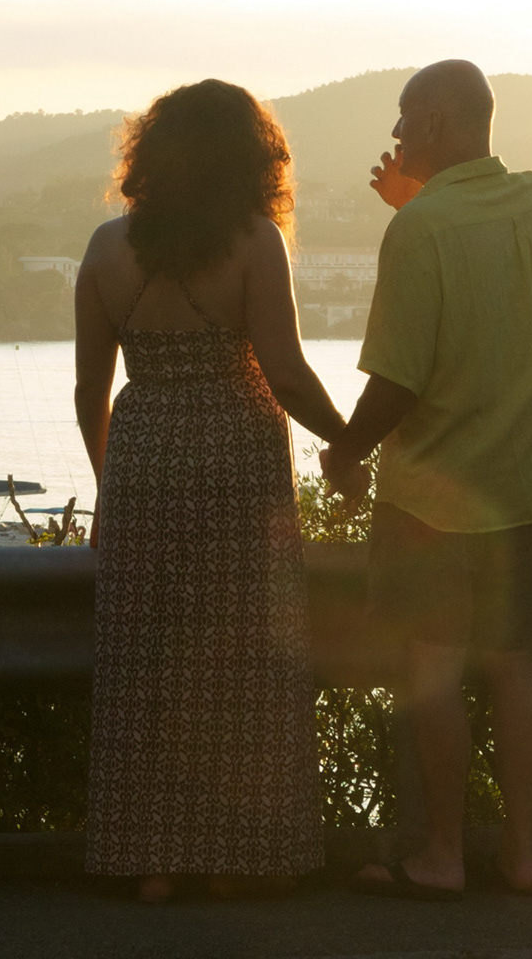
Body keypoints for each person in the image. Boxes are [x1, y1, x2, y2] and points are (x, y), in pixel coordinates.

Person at [74, 79, 348, 903]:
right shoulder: (256, 241)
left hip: (144, 458)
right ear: (250, 159)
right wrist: (350, 440)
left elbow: (90, 391)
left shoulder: (104, 248)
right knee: (242, 660)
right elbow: (286, 374)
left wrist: (109, 488)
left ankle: (151, 860)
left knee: (148, 662)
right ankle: (242, 856)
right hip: (236, 459)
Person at [322, 59, 532, 900]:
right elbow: (483, 278)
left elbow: (397, 382)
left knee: (432, 670)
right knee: (513, 663)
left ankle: (442, 857)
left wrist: (343, 454)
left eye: (403, 116)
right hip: (523, 488)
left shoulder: (420, 231)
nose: (394, 133)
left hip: (431, 501)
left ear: (431, 121)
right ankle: (524, 857)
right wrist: (415, 203)